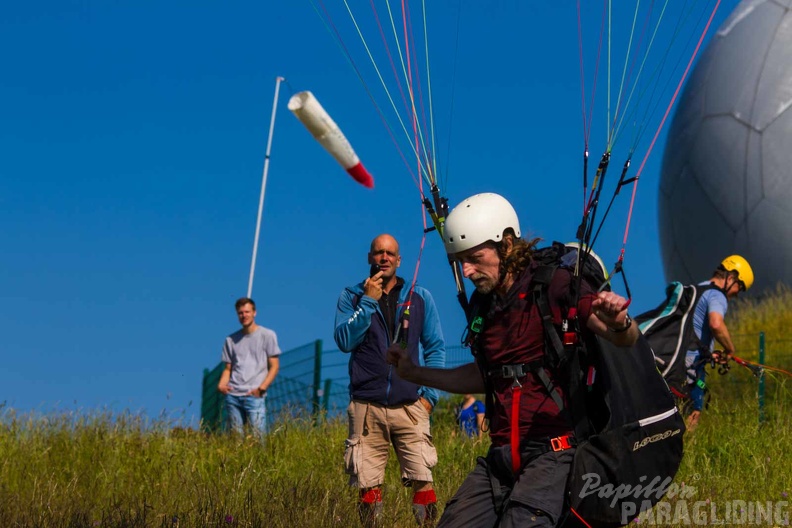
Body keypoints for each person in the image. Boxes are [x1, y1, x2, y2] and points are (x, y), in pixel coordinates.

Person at [386, 193, 639, 528]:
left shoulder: (554, 285)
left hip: (554, 453)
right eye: (461, 260)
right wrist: (415, 373)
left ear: (506, 244)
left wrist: (621, 321)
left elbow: (622, 336)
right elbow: (484, 375)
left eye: (475, 258)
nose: (467, 270)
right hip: (501, 458)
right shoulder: (486, 306)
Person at [334, 233, 446, 527]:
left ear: (398, 260)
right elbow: (344, 340)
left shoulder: (419, 296)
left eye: (390, 253)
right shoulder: (352, 296)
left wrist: (429, 398)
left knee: (423, 479)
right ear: (369, 258)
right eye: (378, 252)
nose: (384, 257)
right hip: (366, 407)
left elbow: (435, 347)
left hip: (411, 406)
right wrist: (368, 302)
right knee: (368, 485)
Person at [684, 255, 754, 431]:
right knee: (692, 415)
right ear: (731, 277)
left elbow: (692, 329)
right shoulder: (717, 295)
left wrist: (710, 352)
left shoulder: (695, 289)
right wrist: (730, 349)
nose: (737, 294)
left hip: (672, 358)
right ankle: (686, 454)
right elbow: (716, 324)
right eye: (740, 287)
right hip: (691, 366)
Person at [217, 297, 281, 436]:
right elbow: (228, 368)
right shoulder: (230, 340)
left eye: (247, 312)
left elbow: (274, 366)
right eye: (240, 313)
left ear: (254, 312)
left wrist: (262, 388)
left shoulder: (267, 335)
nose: (244, 315)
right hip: (233, 395)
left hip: (254, 395)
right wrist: (222, 384)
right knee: (236, 440)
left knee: (258, 438)